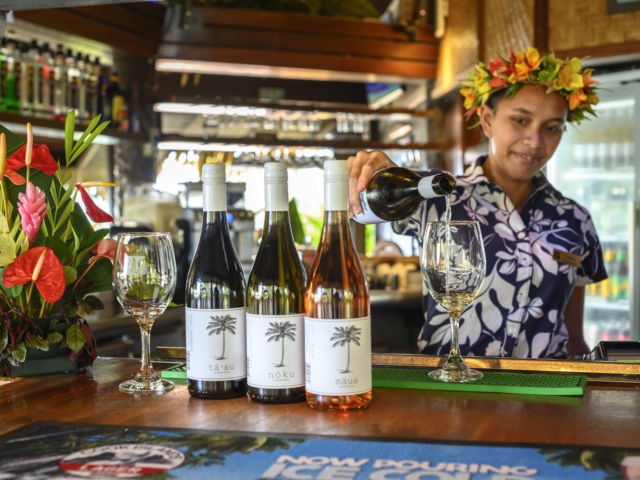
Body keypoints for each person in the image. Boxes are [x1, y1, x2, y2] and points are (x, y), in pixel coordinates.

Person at [348, 48, 607, 358]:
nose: (535, 141)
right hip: (449, 389)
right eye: (520, 120)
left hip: (545, 393)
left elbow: (574, 337)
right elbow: (359, 210)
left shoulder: (575, 219)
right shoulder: (437, 193)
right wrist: (373, 176)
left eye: (552, 127)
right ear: (486, 120)